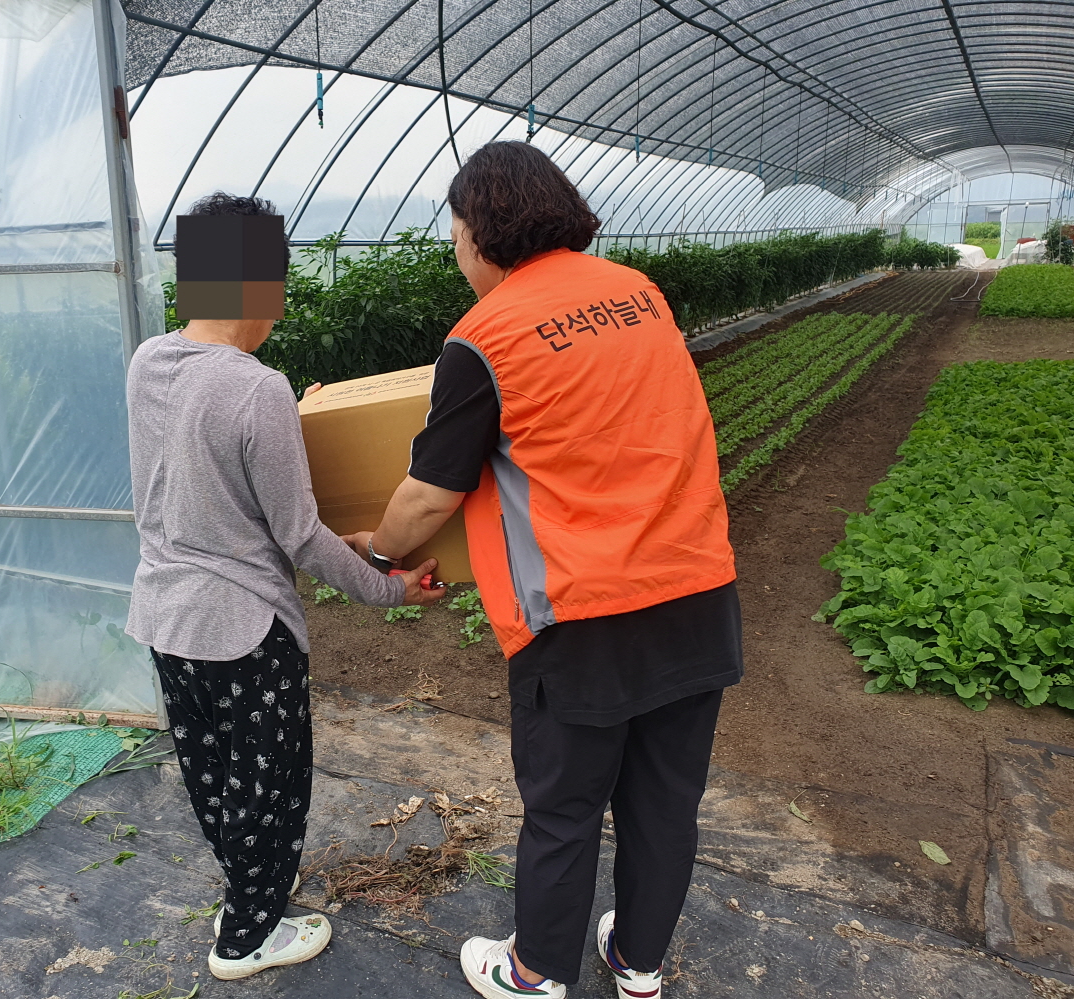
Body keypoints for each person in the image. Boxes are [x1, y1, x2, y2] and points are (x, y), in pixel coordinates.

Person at [348, 143, 742, 999]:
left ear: (483, 232)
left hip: (582, 615)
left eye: (455, 233)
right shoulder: (639, 293)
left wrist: (378, 553)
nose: (456, 253)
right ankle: (638, 963)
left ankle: (533, 973)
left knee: (565, 807)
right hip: (698, 591)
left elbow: (429, 495)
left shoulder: (483, 337)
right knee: (665, 800)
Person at [124, 192, 445, 981]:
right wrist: (389, 591)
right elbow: (298, 535)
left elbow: (208, 479)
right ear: (259, 289)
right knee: (269, 780)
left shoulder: (147, 362)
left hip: (166, 617)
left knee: (212, 769)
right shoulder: (258, 387)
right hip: (242, 628)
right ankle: (247, 936)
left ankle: (250, 885)